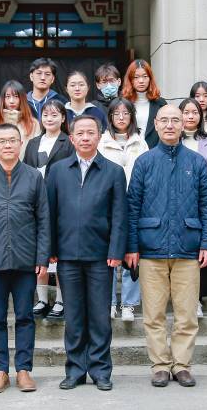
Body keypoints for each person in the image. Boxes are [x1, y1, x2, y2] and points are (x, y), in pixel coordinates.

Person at [125, 105, 207, 388]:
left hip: (188, 247)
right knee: (153, 315)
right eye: (164, 120)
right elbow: (132, 206)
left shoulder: (196, 162)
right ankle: (161, 365)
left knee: (186, 314)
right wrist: (132, 246)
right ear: (155, 123)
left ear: (184, 124)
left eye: (175, 120)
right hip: (151, 248)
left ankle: (182, 365)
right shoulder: (144, 162)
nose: (170, 125)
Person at [0, 123, 51, 394]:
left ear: (20, 143)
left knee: (25, 316)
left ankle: (24, 370)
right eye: (2, 140)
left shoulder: (34, 177)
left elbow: (44, 221)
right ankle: (0, 371)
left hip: (26, 259)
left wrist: (42, 257)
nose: (7, 145)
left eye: (12, 140)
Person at [46, 115, 128, 391]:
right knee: (74, 317)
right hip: (67, 255)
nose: (84, 137)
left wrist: (116, 249)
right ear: (71, 138)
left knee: (100, 317)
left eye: (90, 132)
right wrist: (50, 249)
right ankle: (75, 370)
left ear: (99, 136)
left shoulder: (113, 172)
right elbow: (49, 212)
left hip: (101, 256)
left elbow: (119, 215)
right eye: (79, 133)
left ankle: (101, 370)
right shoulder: (58, 171)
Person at [98, 98, 148, 321]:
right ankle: (109, 302)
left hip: (135, 203)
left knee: (132, 252)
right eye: (116, 113)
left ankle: (129, 303)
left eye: (125, 113)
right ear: (110, 117)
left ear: (131, 117)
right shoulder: (102, 142)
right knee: (108, 254)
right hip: (107, 204)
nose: (121, 117)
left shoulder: (140, 142)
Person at [23, 99, 73, 319]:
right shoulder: (33, 143)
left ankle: (61, 300)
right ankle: (42, 299)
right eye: (46, 115)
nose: (49, 118)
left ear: (63, 118)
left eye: (54, 115)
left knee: (59, 252)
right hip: (35, 202)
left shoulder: (68, 142)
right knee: (39, 251)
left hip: (60, 202)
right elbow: (25, 170)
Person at [180, 97, 207, 319]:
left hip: (203, 202)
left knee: (201, 249)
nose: (190, 116)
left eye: (194, 112)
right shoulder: (173, 142)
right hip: (178, 204)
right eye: (186, 112)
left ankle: (197, 299)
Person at [120, 59, 168, 148]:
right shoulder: (122, 103)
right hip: (129, 150)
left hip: (154, 151)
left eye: (145, 76)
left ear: (150, 78)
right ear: (130, 79)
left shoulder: (161, 103)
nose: (141, 81)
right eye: (136, 77)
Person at [0, 80, 40, 147]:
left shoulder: (33, 124)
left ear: (22, 98)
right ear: (3, 99)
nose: (11, 101)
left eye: (16, 96)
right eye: (8, 96)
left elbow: (36, 149)